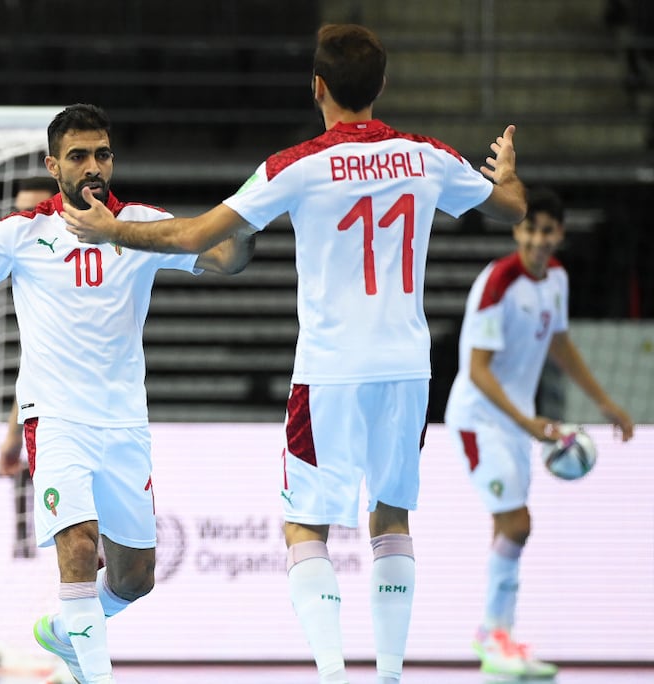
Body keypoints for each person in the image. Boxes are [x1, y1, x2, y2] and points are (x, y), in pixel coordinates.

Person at [61, 25, 527, 684]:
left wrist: (112, 229)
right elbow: (512, 206)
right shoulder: (426, 155)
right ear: (382, 87)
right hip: (407, 365)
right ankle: (390, 675)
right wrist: (506, 172)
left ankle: (335, 674)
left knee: (306, 527)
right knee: (390, 517)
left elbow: (197, 234)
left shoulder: (296, 165)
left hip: (330, 368)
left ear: (317, 88)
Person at [0, 103, 255, 684]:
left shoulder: (142, 225)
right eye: (78, 156)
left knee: (134, 578)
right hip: (54, 417)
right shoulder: (21, 233)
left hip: (124, 423)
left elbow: (230, 259)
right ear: (53, 166)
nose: (92, 166)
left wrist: (249, 215)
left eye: (101, 154)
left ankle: (65, 629)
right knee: (78, 543)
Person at [443, 187, 635, 679]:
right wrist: (528, 422)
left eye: (547, 230)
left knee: (508, 528)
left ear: (560, 235)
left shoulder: (557, 280)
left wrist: (606, 402)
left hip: (516, 424)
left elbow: (561, 343)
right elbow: (479, 370)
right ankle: (491, 635)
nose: (537, 239)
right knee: (518, 525)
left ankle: (499, 637)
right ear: (517, 230)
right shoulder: (497, 283)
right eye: (530, 228)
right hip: (479, 419)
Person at [0, 176, 62, 475]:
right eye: (19, 213)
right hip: (61, 424)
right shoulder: (33, 277)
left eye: (36, 212)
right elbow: (38, 363)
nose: (26, 223)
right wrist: (13, 435)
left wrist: (13, 437)